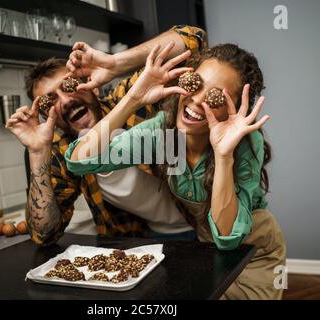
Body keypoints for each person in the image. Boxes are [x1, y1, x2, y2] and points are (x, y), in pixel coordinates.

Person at [66, 42, 286, 300]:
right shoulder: (165, 135)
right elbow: (80, 161)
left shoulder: (246, 144)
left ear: (233, 111)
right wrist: (132, 99)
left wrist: (223, 155)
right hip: (209, 252)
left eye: (215, 97)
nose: (196, 100)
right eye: (195, 84)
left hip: (254, 253)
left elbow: (228, 236)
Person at [6, 25, 208, 245]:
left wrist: (115, 63)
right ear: (47, 117)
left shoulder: (129, 97)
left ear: (93, 87)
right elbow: (44, 235)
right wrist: (37, 152)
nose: (65, 101)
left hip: (208, 220)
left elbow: (193, 38)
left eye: (69, 85)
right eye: (50, 101)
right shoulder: (63, 150)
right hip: (153, 237)